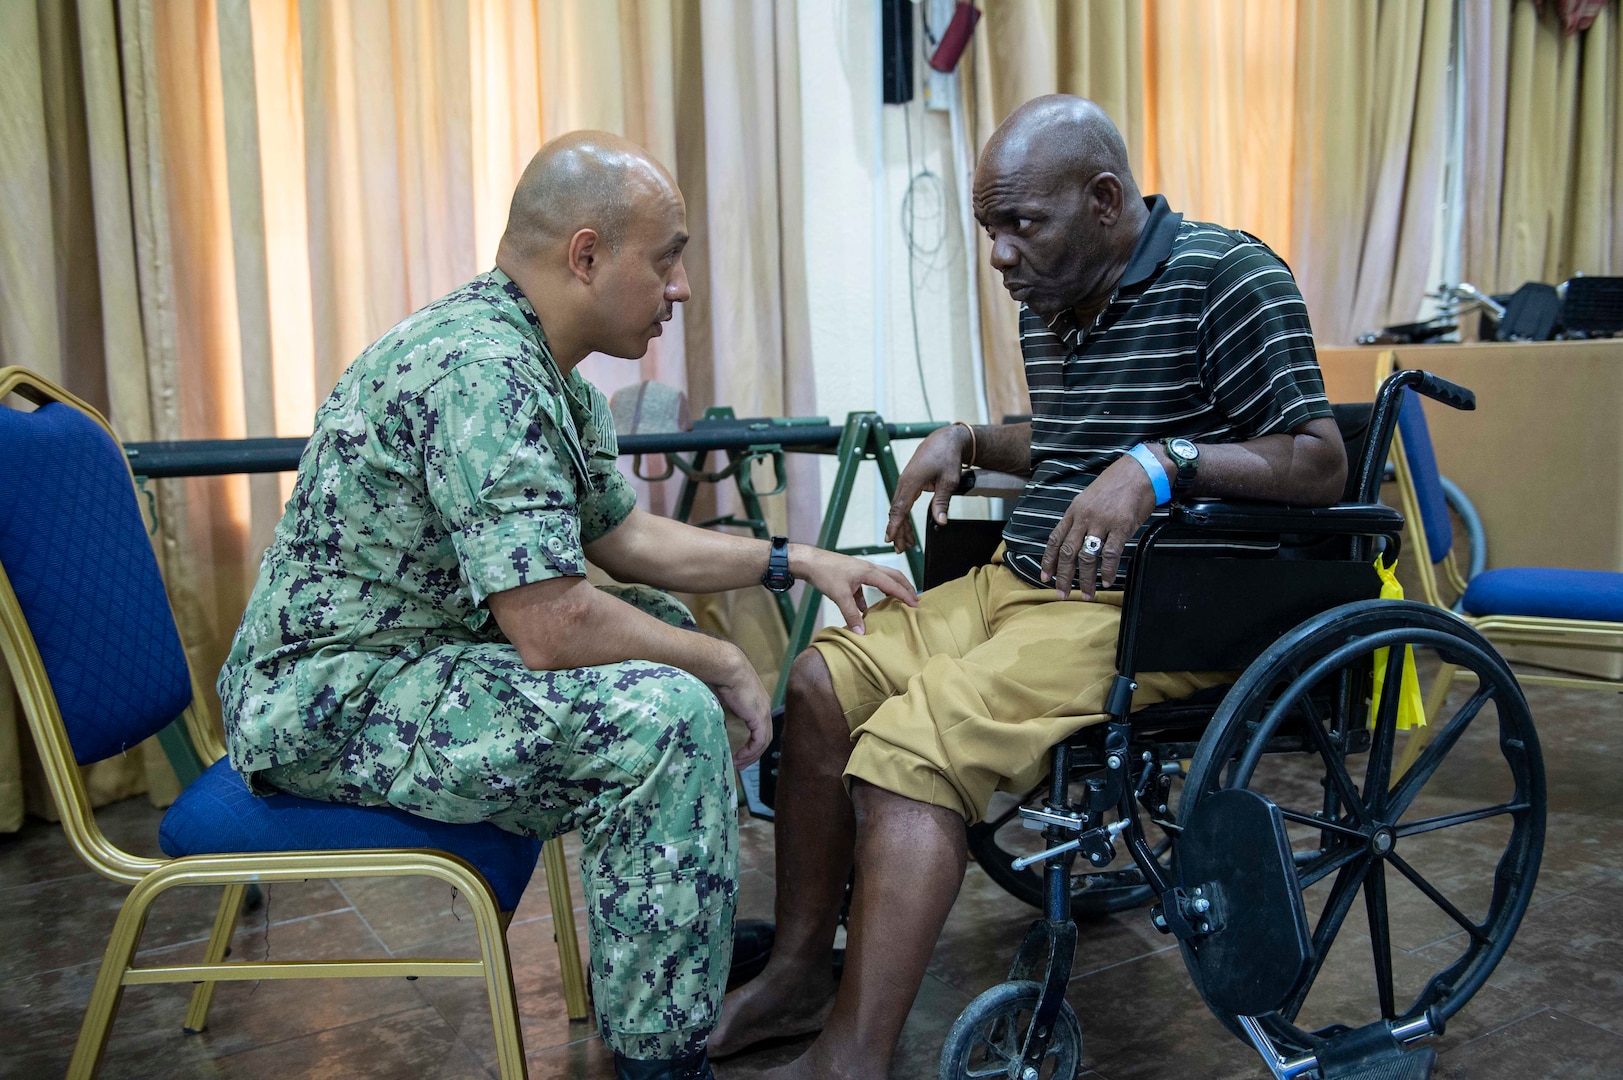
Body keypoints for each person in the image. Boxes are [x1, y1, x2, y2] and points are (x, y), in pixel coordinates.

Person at [216, 131, 916, 1080]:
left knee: (661, 636)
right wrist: (722, 662)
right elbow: (551, 628)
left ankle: (666, 933)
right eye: (667, 257)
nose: (681, 288)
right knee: (663, 711)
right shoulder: (483, 373)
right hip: (327, 703)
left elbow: (623, 539)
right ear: (586, 255)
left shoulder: (541, 362)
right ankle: (661, 1053)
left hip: (408, 663)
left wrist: (799, 558)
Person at [708, 95, 1348, 1078]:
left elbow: (1317, 461)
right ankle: (799, 970)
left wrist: (1164, 462)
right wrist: (967, 439)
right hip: (1019, 584)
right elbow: (1065, 446)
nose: (1000, 254)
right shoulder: (1052, 300)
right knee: (820, 689)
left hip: (1147, 611)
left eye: (1021, 225)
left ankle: (855, 1056)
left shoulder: (1230, 277)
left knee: (907, 753)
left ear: (1102, 200)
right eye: (989, 229)